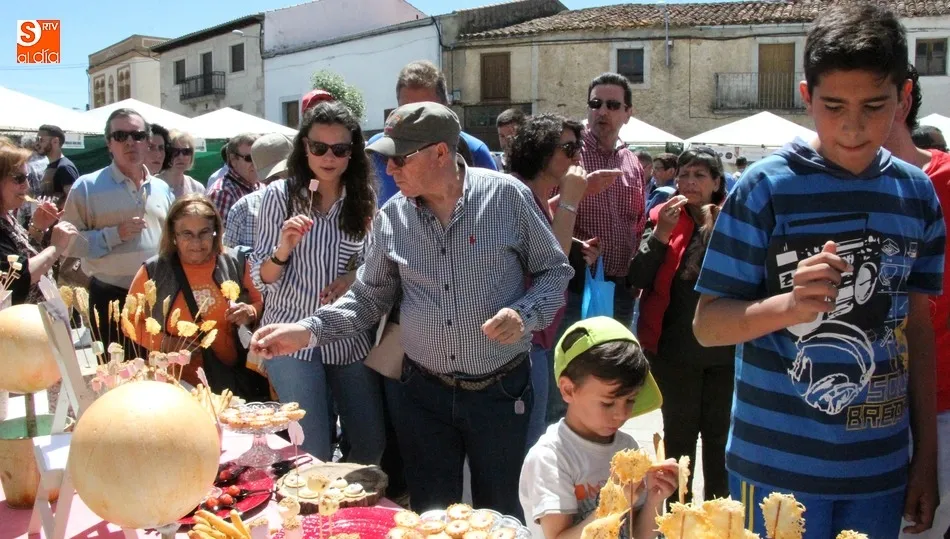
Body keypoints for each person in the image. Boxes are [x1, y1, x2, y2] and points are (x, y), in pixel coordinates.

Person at [249, 102, 572, 518]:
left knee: (499, 512)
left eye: (400, 159)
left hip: (500, 393)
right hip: (424, 396)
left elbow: (554, 272)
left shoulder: (506, 197)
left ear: (440, 153)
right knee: (431, 513)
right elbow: (368, 298)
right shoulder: (393, 218)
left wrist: (524, 313)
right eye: (386, 160)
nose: (389, 171)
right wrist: (306, 331)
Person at [693, 5, 944, 537]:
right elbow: (708, 325)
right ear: (807, 97)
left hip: (878, 470)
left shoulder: (917, 193)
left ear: (903, 98)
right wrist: (789, 306)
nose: (853, 126)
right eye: (834, 106)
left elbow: (917, 333)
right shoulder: (764, 188)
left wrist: (925, 458)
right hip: (773, 470)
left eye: (875, 105)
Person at [249, 102, 384, 464]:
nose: (328, 157)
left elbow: (374, 263)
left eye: (339, 149)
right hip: (292, 338)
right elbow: (262, 281)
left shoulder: (363, 198)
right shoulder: (279, 197)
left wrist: (352, 276)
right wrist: (283, 248)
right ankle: (318, 518)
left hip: (346, 335)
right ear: (304, 148)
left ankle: (354, 512)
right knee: (313, 449)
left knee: (371, 443)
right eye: (318, 147)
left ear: (352, 152)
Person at [627, 147, 734, 501]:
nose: (689, 182)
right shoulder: (662, 216)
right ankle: (677, 520)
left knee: (720, 441)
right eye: (684, 174)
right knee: (678, 440)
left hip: (726, 353)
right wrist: (661, 235)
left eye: (700, 175)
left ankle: (720, 519)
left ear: (716, 182)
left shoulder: (734, 219)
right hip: (674, 352)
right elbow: (638, 276)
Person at [519, 316, 673, 539]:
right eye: (608, 403)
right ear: (568, 390)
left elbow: (638, 534)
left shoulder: (627, 446)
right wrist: (615, 505)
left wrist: (655, 500)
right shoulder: (551, 457)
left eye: (630, 400)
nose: (621, 414)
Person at [507, 114, 602, 450]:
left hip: (536, 336)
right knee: (529, 442)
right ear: (539, 148)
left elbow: (540, 239)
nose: (577, 157)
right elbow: (551, 263)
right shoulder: (515, 192)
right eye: (568, 148)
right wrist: (571, 200)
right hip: (524, 340)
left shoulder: (531, 194)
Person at [884, 64, 950, 539]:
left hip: (943, 406)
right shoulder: (826, 189)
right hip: (856, 411)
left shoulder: (945, 180)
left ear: (903, 101)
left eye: (869, 101)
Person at [126, 195, 268, 400]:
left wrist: (251, 311)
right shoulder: (154, 271)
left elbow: (261, 300)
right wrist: (165, 343)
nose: (197, 243)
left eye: (204, 233)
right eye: (187, 234)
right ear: (173, 235)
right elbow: (129, 320)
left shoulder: (235, 261)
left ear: (215, 232)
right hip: (176, 382)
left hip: (231, 379)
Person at [62, 108, 175, 349]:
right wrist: (114, 235)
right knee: (116, 379)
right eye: (121, 136)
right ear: (109, 144)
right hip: (109, 298)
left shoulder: (162, 189)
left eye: (138, 135)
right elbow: (68, 244)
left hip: (158, 299)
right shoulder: (86, 187)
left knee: (159, 376)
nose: (130, 142)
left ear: (147, 142)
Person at [368, 60, 498, 206]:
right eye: (407, 109)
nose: (391, 168)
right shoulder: (376, 151)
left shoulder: (475, 151)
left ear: (445, 107)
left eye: (426, 111)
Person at [0, 140, 77, 305]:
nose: (26, 185)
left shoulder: (6, 215)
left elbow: (21, 258)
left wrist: (37, 229)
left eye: (26, 177)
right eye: (19, 179)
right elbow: (18, 278)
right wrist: (55, 248)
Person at [223, 133, 293, 251]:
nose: (280, 183)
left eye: (285, 175)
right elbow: (228, 258)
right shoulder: (243, 208)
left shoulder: (316, 202)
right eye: (275, 178)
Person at [207, 133, 261, 226]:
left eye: (259, 157)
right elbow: (218, 236)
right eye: (249, 158)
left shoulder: (261, 185)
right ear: (233, 160)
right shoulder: (222, 193)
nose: (256, 163)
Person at [36, 124, 79, 209]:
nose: (37, 143)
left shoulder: (64, 168)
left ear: (55, 141)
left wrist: (54, 210)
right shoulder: (51, 166)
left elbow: (73, 200)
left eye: (41, 140)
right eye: (36, 140)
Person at [160, 130, 206, 199]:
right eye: (175, 151)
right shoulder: (152, 186)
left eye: (186, 151)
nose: (181, 157)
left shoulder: (197, 188)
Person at [497, 108, 527, 173]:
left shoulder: (534, 167)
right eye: (502, 136)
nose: (505, 141)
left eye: (511, 136)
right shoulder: (494, 165)